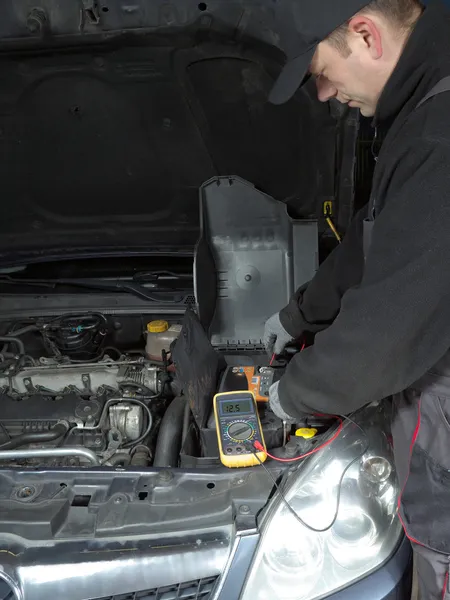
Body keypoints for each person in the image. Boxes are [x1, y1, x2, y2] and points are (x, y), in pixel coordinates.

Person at [263, 0, 450, 598]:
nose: (322, 94)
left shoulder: (440, 132)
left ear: (365, 35)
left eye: (321, 70)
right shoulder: (424, 111)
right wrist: (299, 315)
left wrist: (293, 396)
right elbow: (380, 234)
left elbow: (380, 342)